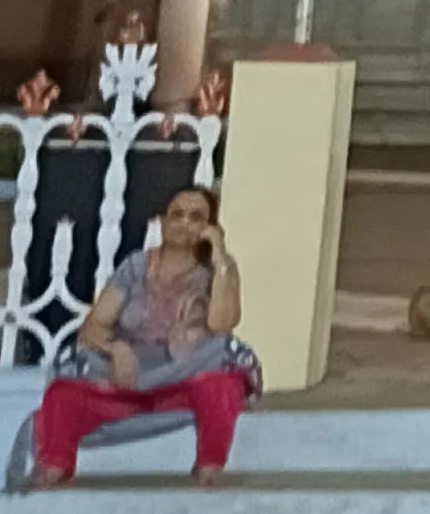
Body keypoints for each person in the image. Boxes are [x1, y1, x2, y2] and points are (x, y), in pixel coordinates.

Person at [27, 183, 258, 482]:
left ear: (209, 228)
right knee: (64, 390)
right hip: (128, 377)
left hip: (184, 377)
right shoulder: (136, 266)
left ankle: (210, 465)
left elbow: (221, 324)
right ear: (163, 222)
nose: (183, 223)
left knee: (224, 372)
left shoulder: (217, 271)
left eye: (196, 217)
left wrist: (220, 258)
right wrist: (117, 350)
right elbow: (94, 326)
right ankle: (54, 466)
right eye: (176, 215)